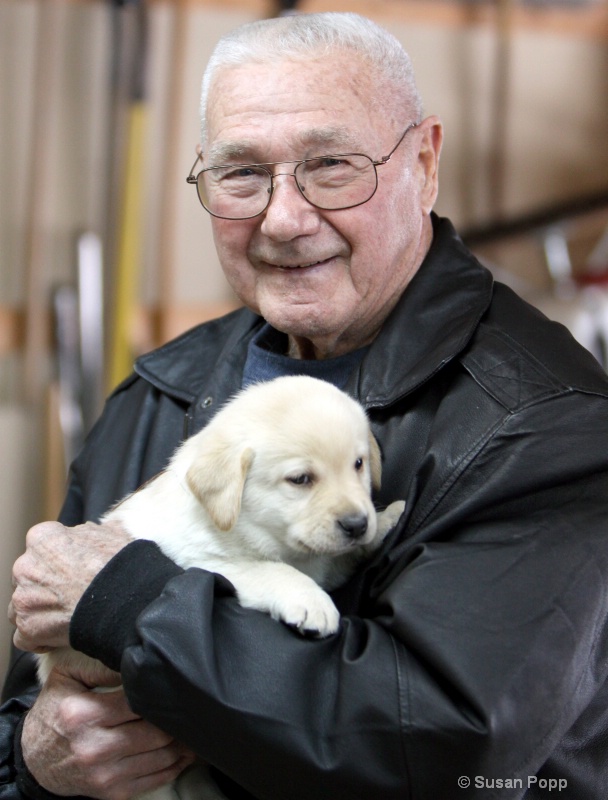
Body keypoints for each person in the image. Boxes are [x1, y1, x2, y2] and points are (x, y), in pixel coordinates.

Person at [3, 11, 608, 800]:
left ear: (424, 163)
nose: (283, 219)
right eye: (241, 173)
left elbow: (450, 749)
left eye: (331, 165)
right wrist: (34, 759)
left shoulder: (543, 424)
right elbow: (34, 686)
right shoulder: (162, 389)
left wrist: (128, 603)